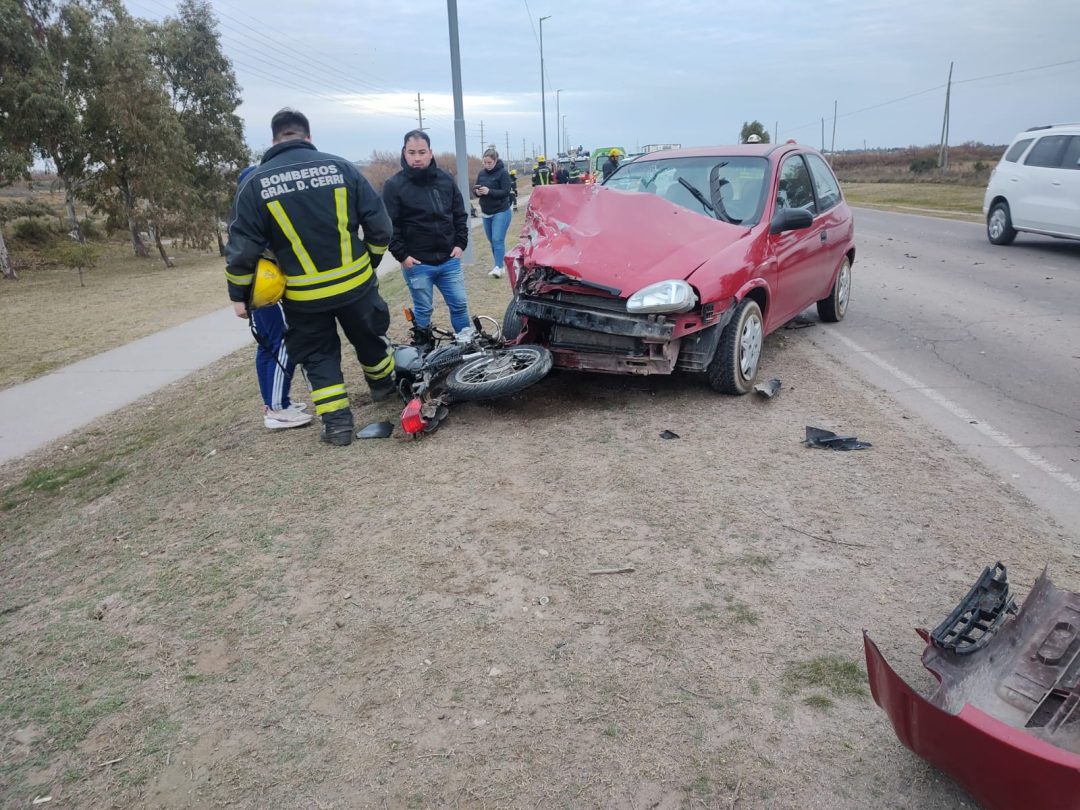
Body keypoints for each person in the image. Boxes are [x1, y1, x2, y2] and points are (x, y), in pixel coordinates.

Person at [226, 108, 395, 447]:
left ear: (274, 140)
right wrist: (369, 262)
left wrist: (239, 296)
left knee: (318, 357)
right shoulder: (343, 168)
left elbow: (242, 249)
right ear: (308, 136)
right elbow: (380, 227)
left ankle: (337, 426)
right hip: (356, 285)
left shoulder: (255, 184)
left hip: (303, 297)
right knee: (370, 340)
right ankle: (384, 390)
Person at [232, 165, 312, 431]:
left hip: (262, 289)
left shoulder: (252, 214)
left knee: (266, 345)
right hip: (262, 290)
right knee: (282, 343)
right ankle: (278, 407)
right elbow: (239, 259)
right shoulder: (250, 217)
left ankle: (272, 403)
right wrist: (239, 298)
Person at [382, 130, 471, 352]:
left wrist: (460, 243)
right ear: (404, 153)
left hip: (449, 261)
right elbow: (389, 225)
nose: (417, 157)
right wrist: (402, 255)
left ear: (431, 153)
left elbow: (459, 213)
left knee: (459, 305)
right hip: (417, 264)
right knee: (423, 311)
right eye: (412, 152)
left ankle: (467, 346)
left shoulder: (445, 180)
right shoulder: (394, 185)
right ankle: (423, 352)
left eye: (422, 152)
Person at [474, 147, 512, 279]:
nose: (486, 165)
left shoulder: (503, 173)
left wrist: (489, 191)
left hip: (501, 211)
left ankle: (498, 267)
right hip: (486, 212)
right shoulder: (481, 173)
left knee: (497, 239)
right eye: (484, 162)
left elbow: (506, 191)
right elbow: (476, 188)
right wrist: (477, 192)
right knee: (492, 241)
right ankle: (499, 265)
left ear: (495, 160)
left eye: (489, 162)